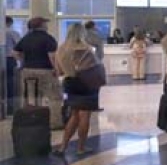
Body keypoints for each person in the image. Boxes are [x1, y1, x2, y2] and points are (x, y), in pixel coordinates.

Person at [52, 23, 102, 157]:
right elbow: (93, 68)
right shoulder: (86, 48)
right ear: (82, 33)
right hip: (86, 85)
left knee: (74, 116)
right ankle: (81, 148)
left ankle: (63, 147)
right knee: (84, 116)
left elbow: (59, 71)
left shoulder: (61, 49)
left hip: (69, 84)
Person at [14, 17, 62, 130]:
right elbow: (52, 56)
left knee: (31, 97)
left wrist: (23, 61)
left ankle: (31, 120)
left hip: (27, 71)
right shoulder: (48, 38)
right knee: (54, 97)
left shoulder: (25, 38)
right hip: (45, 71)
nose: (47, 25)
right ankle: (55, 123)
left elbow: (15, 52)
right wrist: (56, 69)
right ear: (41, 25)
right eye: (45, 23)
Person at [5, 16, 21, 110]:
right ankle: (10, 108)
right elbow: (19, 47)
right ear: (10, 23)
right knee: (11, 83)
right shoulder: (12, 32)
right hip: (9, 60)